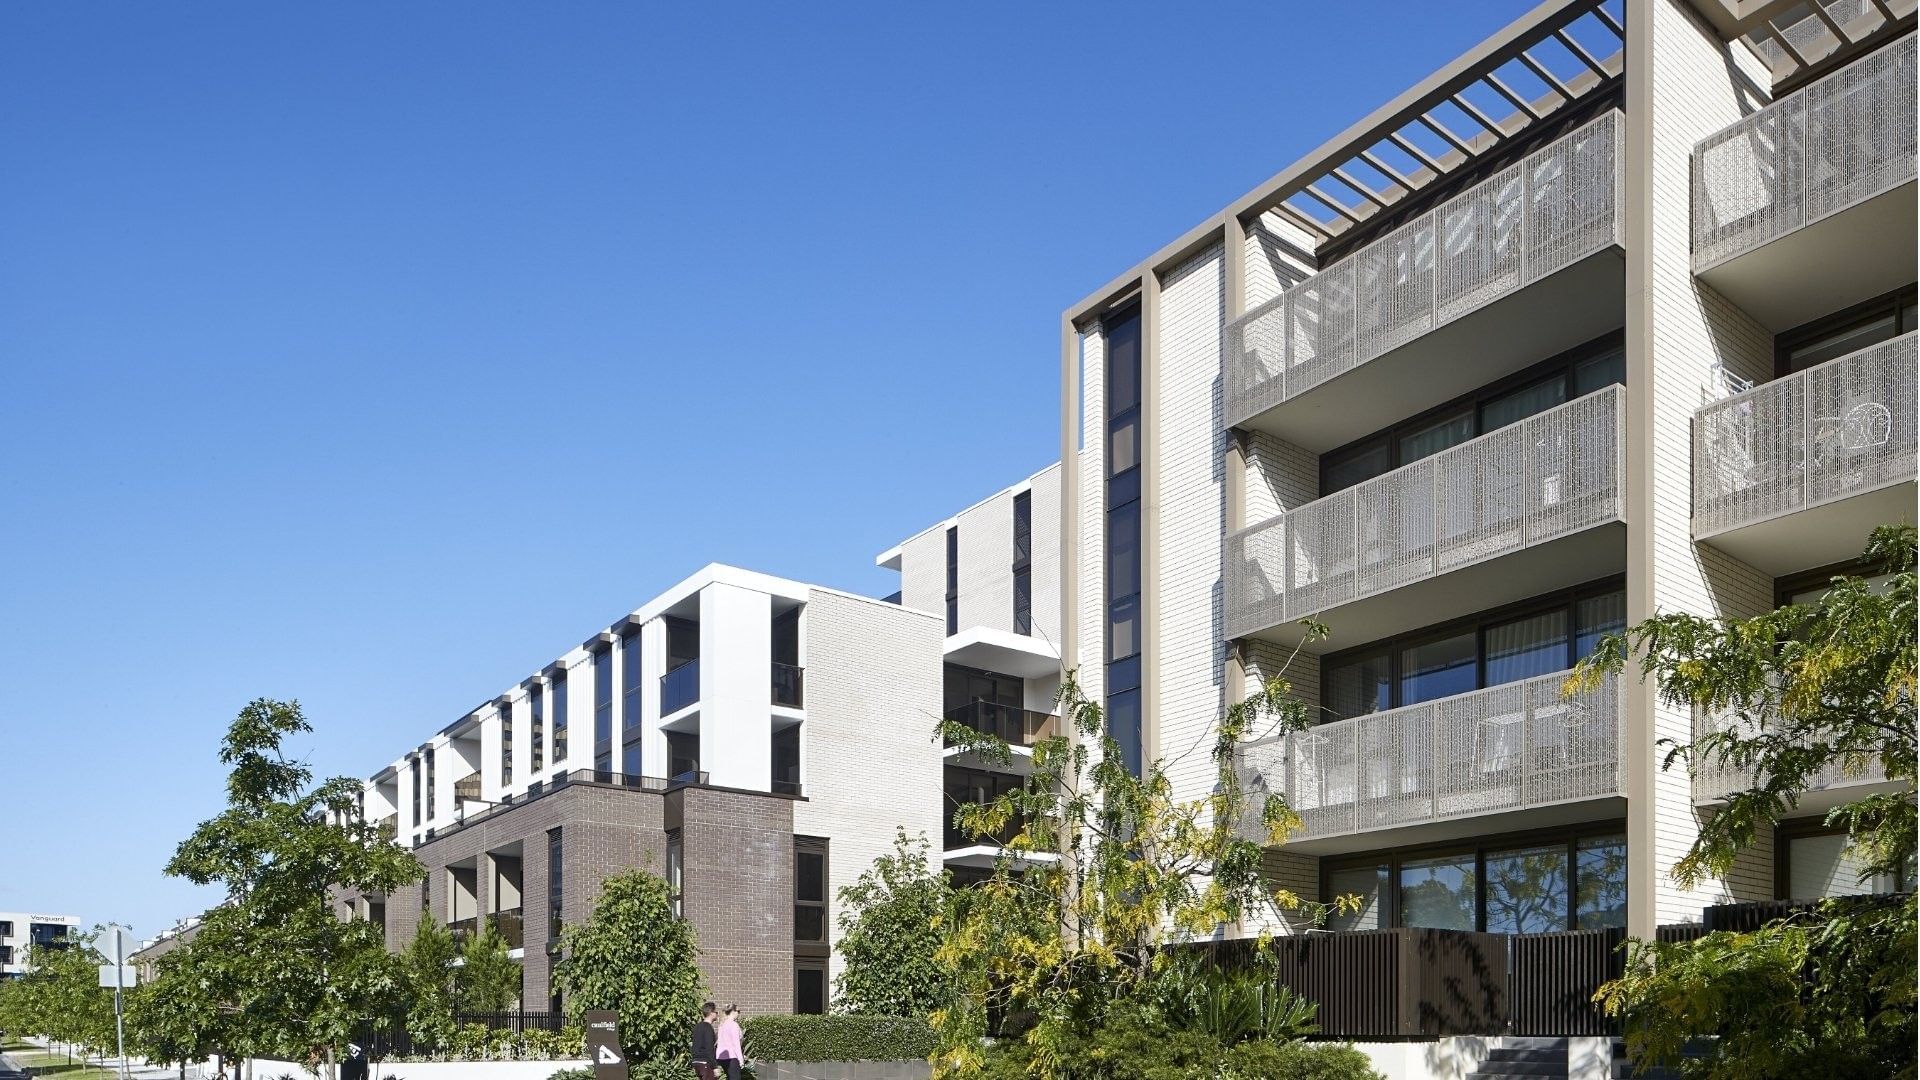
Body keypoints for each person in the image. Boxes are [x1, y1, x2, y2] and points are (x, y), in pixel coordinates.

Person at [690, 1001, 719, 1080]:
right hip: (705, 1062)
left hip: (696, 1062)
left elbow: (695, 1045)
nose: (717, 1014)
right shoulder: (708, 1028)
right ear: (711, 1013)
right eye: (716, 1012)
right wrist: (715, 1066)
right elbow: (709, 1048)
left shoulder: (697, 1026)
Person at [715, 1003, 745, 1080]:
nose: (739, 1013)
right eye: (738, 1011)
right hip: (732, 1058)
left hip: (721, 1058)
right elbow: (736, 1044)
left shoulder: (721, 1024)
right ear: (733, 1012)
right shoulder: (734, 1025)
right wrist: (741, 1060)